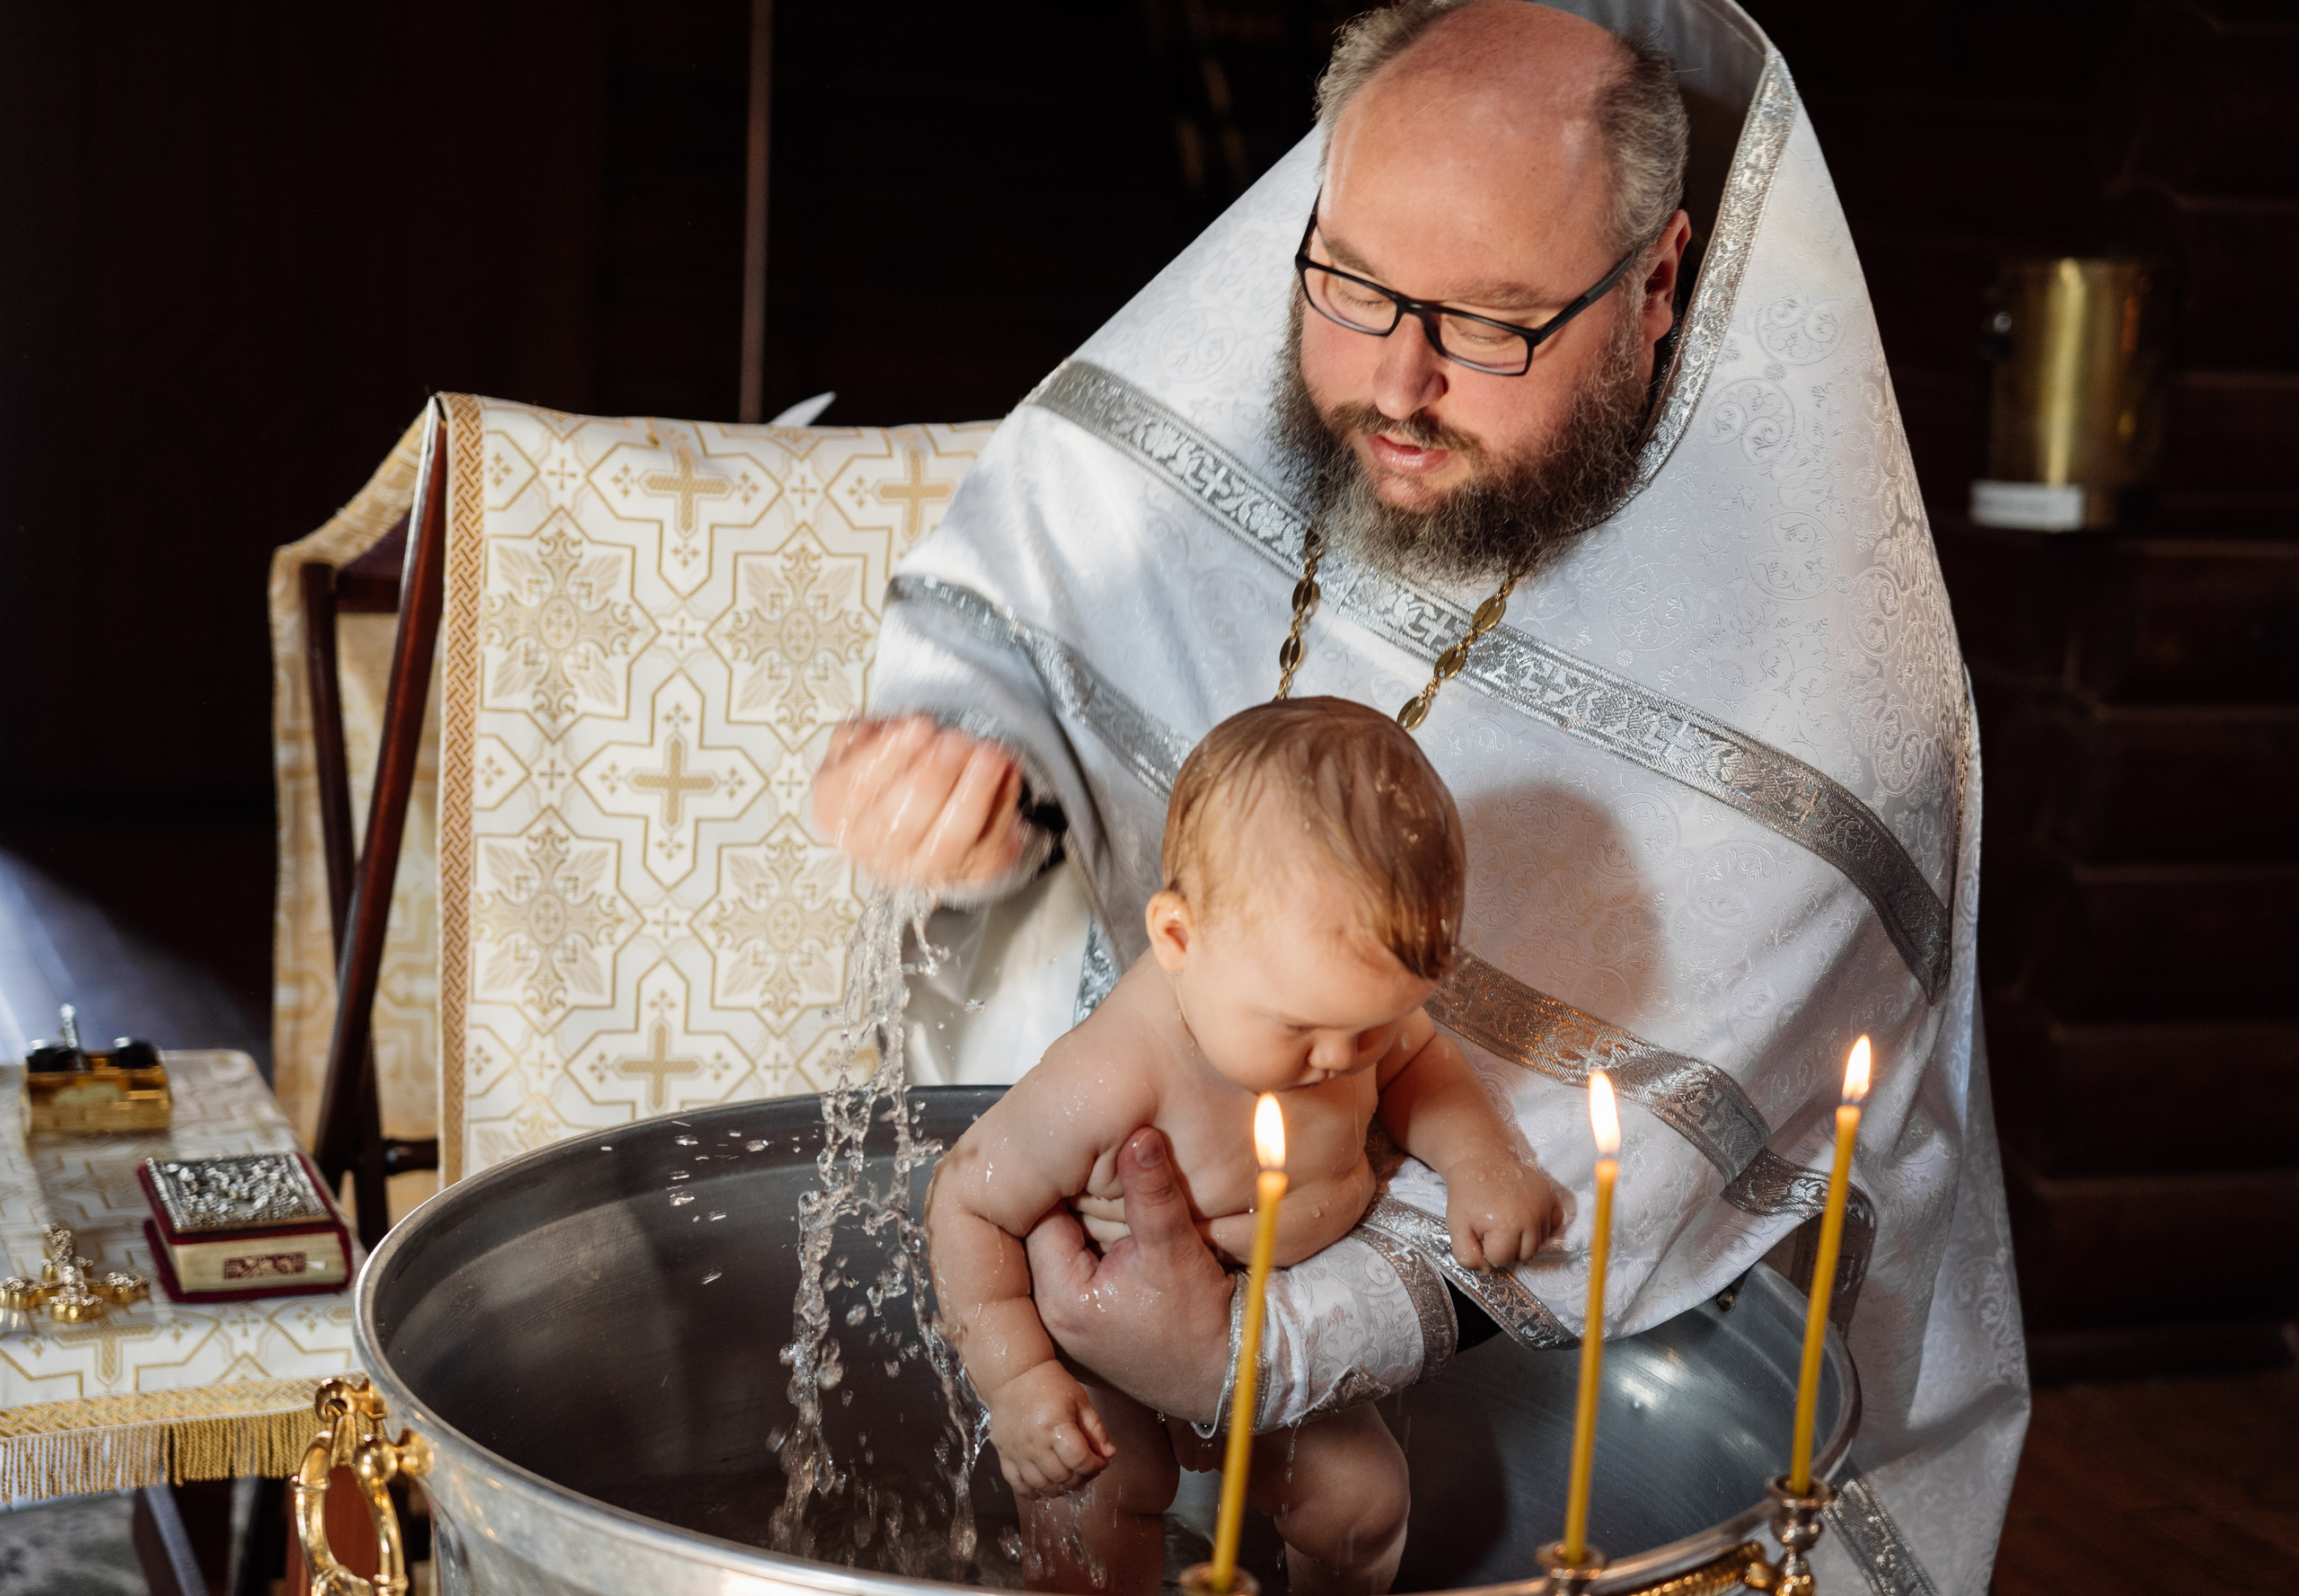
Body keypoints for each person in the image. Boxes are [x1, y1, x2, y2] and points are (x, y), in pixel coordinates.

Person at [821, 4, 2030, 1592]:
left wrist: (1243, 1351)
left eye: (1493, 324)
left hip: (1545, 1402)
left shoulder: (1828, 706)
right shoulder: (1297, 359)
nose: (1396, 380)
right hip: (1121, 1249)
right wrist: (974, 771)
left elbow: (1583, 1164)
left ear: (1657, 285)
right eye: (1354, 284)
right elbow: (1022, 619)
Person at [928, 699, 1565, 1595]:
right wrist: (1020, 1381)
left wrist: (1482, 1165)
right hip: (1100, 1353)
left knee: (1363, 1497)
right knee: (1100, 1496)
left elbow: (1426, 1063)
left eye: (1372, 1023)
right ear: (1178, 937)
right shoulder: (1109, 1077)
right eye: (1302, 1027)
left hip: (1266, 1330)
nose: (1342, 1058)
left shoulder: (1342, 1009)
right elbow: (965, 1201)